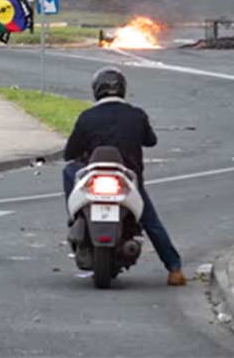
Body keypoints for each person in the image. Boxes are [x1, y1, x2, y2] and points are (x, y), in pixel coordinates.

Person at [62, 67, 186, 287]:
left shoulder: (87, 117)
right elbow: (151, 141)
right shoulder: (136, 115)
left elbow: (69, 153)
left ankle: (74, 214)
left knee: (69, 171)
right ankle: (174, 269)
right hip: (128, 180)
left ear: (96, 90)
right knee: (150, 222)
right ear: (123, 89)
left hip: (93, 180)